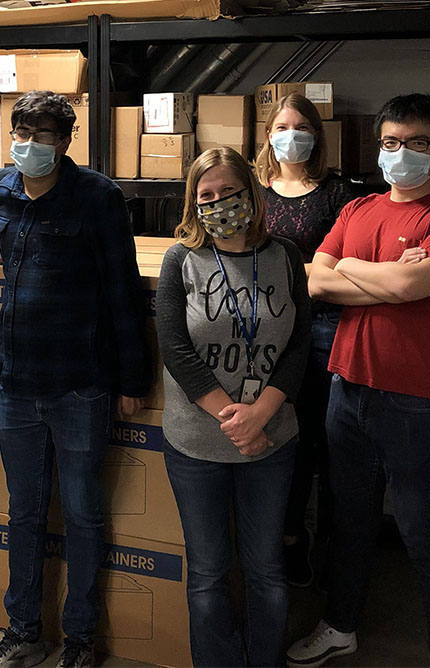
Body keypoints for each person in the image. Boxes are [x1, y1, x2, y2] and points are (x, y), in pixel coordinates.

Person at [287, 94, 430, 668]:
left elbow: (402, 289)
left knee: (425, 537)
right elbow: (315, 280)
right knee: (350, 524)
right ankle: (340, 625)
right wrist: (387, 275)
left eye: (418, 143)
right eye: (392, 143)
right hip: (347, 389)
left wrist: (361, 273)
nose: (402, 154)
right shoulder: (357, 210)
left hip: (419, 405)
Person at [0, 91, 152, 668]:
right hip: (16, 383)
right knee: (23, 513)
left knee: (81, 513)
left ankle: (79, 639)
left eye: (42, 134)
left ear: (66, 140)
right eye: (21, 130)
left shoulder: (98, 197)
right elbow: (2, 242)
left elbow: (122, 290)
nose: (28, 143)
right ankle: (23, 630)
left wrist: (132, 377)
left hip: (79, 384)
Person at [157, 146, 309, 668]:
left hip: (271, 439)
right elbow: (176, 349)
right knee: (207, 572)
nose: (220, 203)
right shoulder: (182, 259)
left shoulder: (285, 256)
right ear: (193, 203)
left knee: (266, 569)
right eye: (207, 196)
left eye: (229, 192)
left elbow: (299, 343)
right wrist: (235, 420)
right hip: (195, 444)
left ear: (253, 192)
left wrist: (260, 415)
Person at [254, 94, 359, 588]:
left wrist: (292, 271)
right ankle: (285, 537)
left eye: (300, 125)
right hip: (261, 330)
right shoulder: (253, 190)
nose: (290, 134)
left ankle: (324, 547)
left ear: (316, 135)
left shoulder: (337, 194)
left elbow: (337, 267)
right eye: (281, 125)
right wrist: (310, 268)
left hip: (322, 329)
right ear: (267, 133)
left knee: (322, 440)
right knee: (278, 439)